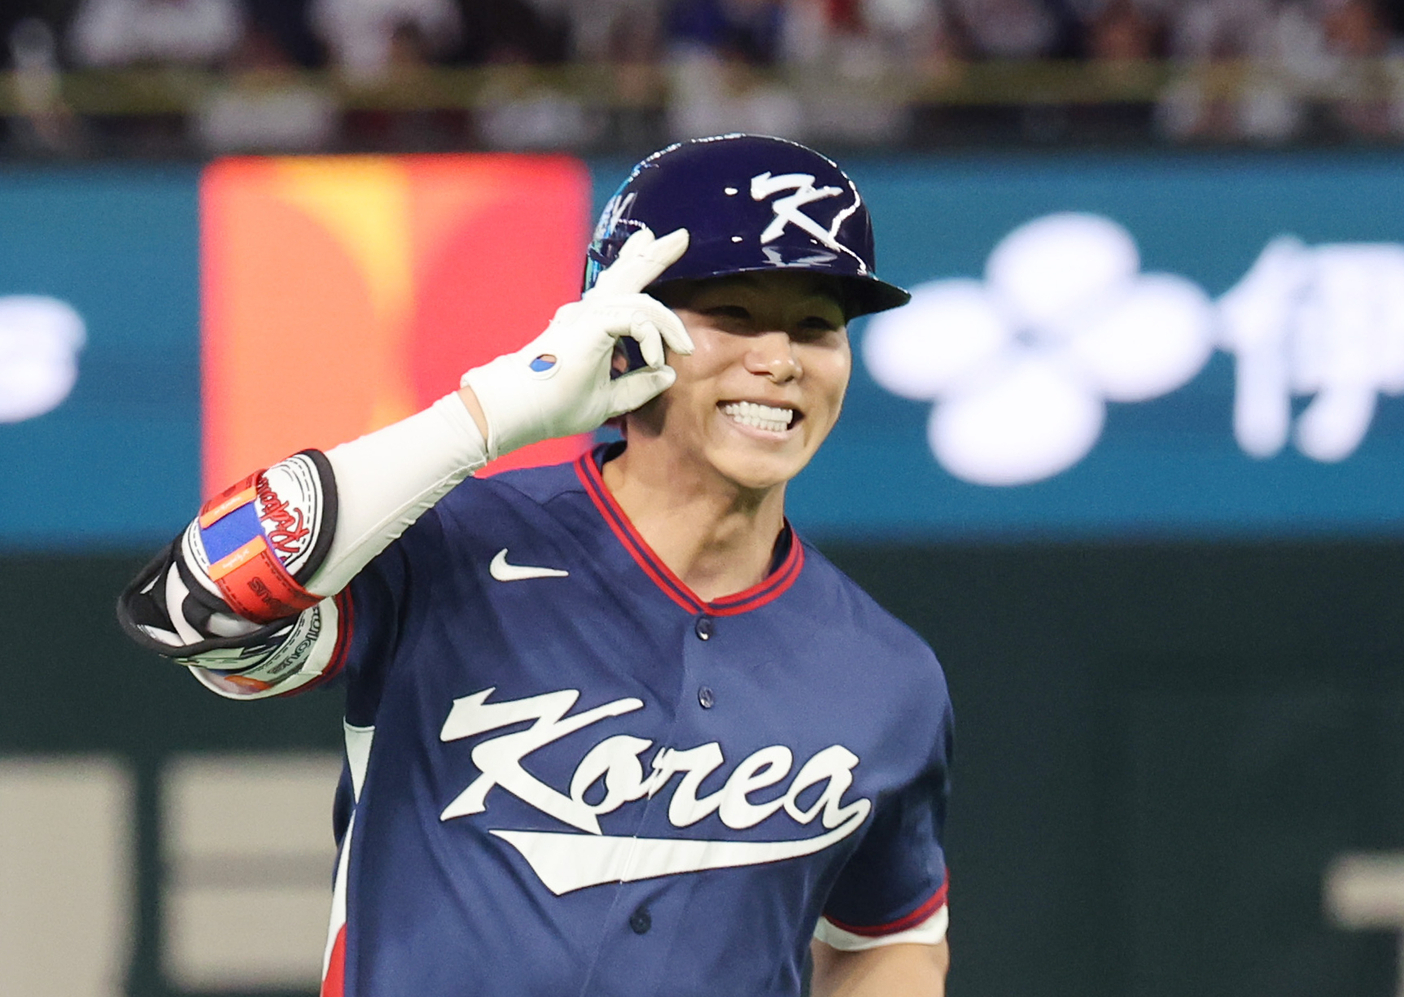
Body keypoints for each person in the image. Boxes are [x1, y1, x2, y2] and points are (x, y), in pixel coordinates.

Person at [118, 133, 952, 997]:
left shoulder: (887, 674)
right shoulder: (448, 551)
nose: (778, 360)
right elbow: (193, 607)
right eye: (732, 316)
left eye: (815, 326)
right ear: (626, 326)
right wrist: (489, 413)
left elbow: (889, 937)